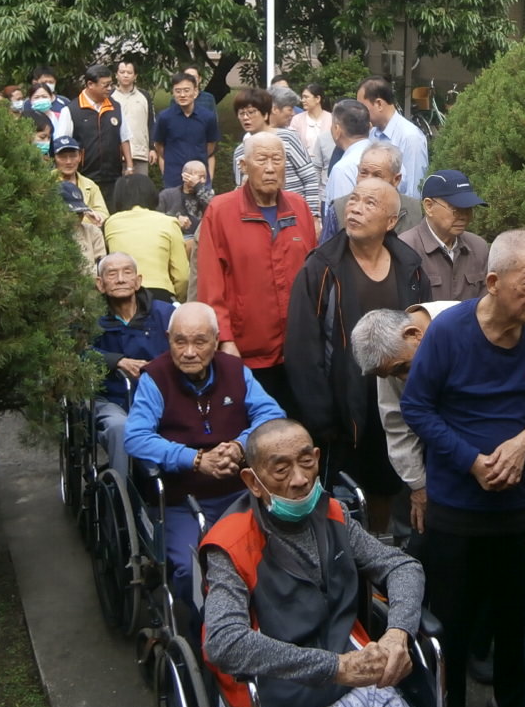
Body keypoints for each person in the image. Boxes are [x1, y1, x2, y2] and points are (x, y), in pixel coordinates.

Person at [400, 229, 525, 707]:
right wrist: (471, 460)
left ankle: (512, 702)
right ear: (493, 282)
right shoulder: (450, 332)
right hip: (458, 503)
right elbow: (416, 406)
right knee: (452, 617)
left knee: (518, 612)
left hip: (522, 502)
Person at [201, 418, 434, 707]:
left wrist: (398, 632)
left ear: (317, 458)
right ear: (253, 482)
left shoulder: (334, 513)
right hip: (279, 704)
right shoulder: (230, 544)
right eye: (281, 469)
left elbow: (400, 566)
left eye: (306, 462)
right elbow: (223, 641)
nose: (299, 479)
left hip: (360, 685)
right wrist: (335, 667)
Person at [286, 178, 430, 527]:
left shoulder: (409, 267)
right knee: (343, 502)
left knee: (386, 494)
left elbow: (424, 336)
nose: (355, 208)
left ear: (391, 221)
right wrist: (322, 419)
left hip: (396, 403)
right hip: (341, 413)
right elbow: (303, 349)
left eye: (369, 203)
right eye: (353, 200)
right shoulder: (322, 268)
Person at [124, 302, 285, 605]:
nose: (188, 351)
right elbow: (135, 437)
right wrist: (196, 460)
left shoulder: (235, 370)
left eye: (199, 341)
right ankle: (203, 635)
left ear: (215, 340)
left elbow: (272, 415)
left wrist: (240, 445)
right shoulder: (155, 378)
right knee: (188, 570)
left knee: (273, 553)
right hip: (182, 500)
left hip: (240, 492)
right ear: (168, 339)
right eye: (180, 341)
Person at [198, 132, 316, 418]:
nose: (270, 167)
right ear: (243, 165)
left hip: (298, 352)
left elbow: (314, 279)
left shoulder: (299, 207)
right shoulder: (221, 211)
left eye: (277, 159)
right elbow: (210, 285)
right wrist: (224, 340)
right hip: (247, 351)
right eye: (261, 159)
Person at [349, 301, 461, 537]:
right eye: (394, 374)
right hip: (439, 460)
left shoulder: (466, 322)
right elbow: (397, 425)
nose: (405, 380)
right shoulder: (391, 356)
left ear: (414, 335)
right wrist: (418, 485)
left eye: (404, 368)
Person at [91, 252, 175, 486]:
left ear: (138, 281)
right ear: (100, 284)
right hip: (111, 399)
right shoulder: (89, 317)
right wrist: (115, 361)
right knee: (121, 427)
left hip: (159, 397)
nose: (120, 279)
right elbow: (74, 353)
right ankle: (124, 495)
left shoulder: (164, 313)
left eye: (127, 272)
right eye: (112, 274)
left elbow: (186, 348)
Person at [231, 87, 321, 223]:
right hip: (260, 219)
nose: (245, 118)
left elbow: (310, 178)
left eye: (251, 112)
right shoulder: (240, 152)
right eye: (241, 113)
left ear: (265, 114)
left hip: (296, 215)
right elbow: (241, 190)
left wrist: (313, 217)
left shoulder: (288, 138)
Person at [397, 170, 490, 302]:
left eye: (469, 209)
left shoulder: (478, 247)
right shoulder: (406, 248)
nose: (464, 217)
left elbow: (485, 305)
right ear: (429, 206)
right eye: (456, 209)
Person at [53, 63, 135, 207]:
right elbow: (61, 144)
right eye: (105, 85)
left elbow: (124, 137)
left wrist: (129, 166)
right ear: (90, 84)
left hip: (112, 175)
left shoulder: (115, 107)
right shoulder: (71, 110)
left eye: (111, 84)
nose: (110, 89)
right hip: (85, 175)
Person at [102, 174, 189, 303]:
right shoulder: (169, 222)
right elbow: (182, 276)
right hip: (160, 295)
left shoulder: (111, 223)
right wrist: (177, 300)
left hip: (121, 295)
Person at [320, 141, 424, 245]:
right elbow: (324, 256)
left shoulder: (417, 211)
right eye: (363, 173)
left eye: (377, 176)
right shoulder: (339, 209)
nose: (368, 181)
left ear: (396, 179)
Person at [357, 76, 428, 197]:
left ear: (379, 104)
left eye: (362, 108)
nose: (360, 113)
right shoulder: (373, 133)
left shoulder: (411, 137)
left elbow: (414, 191)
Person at [153, 71, 220, 189]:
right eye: (178, 91)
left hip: (200, 176)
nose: (182, 95)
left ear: (195, 92)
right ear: (173, 93)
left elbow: (210, 146)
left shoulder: (208, 117)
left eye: (186, 90)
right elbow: (159, 145)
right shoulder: (164, 117)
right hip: (173, 176)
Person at [157, 159, 214, 263]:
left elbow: (215, 208)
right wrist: (175, 220)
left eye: (204, 177)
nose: (202, 181)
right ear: (185, 176)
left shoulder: (206, 195)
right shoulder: (167, 195)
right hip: (173, 241)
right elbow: (155, 219)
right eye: (199, 176)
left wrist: (197, 186)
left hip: (201, 243)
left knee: (192, 244)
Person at [324, 99, 374, 205]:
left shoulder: (343, 169)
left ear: (337, 130)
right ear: (370, 127)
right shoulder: (389, 158)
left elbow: (341, 216)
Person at [51, 135, 108, 221]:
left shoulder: (90, 185)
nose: (69, 162)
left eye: (73, 156)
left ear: (80, 157)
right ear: (53, 159)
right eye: (63, 157)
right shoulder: (46, 182)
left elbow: (104, 214)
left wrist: (91, 216)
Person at [111, 60, 155, 170]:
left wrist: (152, 148)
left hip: (140, 153)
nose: (125, 75)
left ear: (135, 76)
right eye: (122, 72)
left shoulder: (144, 96)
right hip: (116, 155)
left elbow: (150, 123)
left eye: (129, 73)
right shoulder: (109, 97)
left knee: (141, 186)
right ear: (116, 75)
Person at [61, 181, 106, 273]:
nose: (77, 217)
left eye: (80, 213)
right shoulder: (44, 231)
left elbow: (102, 267)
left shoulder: (93, 232)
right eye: (71, 212)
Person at [292, 82, 332, 161]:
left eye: (306, 97)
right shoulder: (297, 119)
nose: (302, 100)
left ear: (317, 99)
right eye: (302, 97)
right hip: (304, 164)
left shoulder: (331, 118)